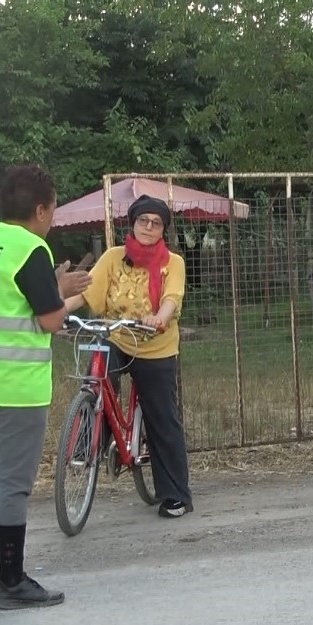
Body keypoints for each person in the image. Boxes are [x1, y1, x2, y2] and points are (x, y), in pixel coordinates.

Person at [0, 164, 92, 608]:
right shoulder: (30, 249)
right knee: (13, 485)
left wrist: (49, 288)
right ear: (40, 210)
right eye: (51, 210)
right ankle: (12, 581)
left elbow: (3, 302)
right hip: (14, 387)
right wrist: (66, 291)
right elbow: (49, 320)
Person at [63, 195, 192, 518]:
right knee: (97, 373)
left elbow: (172, 298)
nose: (148, 227)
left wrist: (159, 317)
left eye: (156, 222)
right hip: (117, 334)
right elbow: (85, 294)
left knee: (162, 417)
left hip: (155, 344)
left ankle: (175, 494)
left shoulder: (172, 262)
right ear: (132, 224)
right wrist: (55, 312)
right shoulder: (113, 257)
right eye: (143, 221)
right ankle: (90, 437)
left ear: (163, 229)